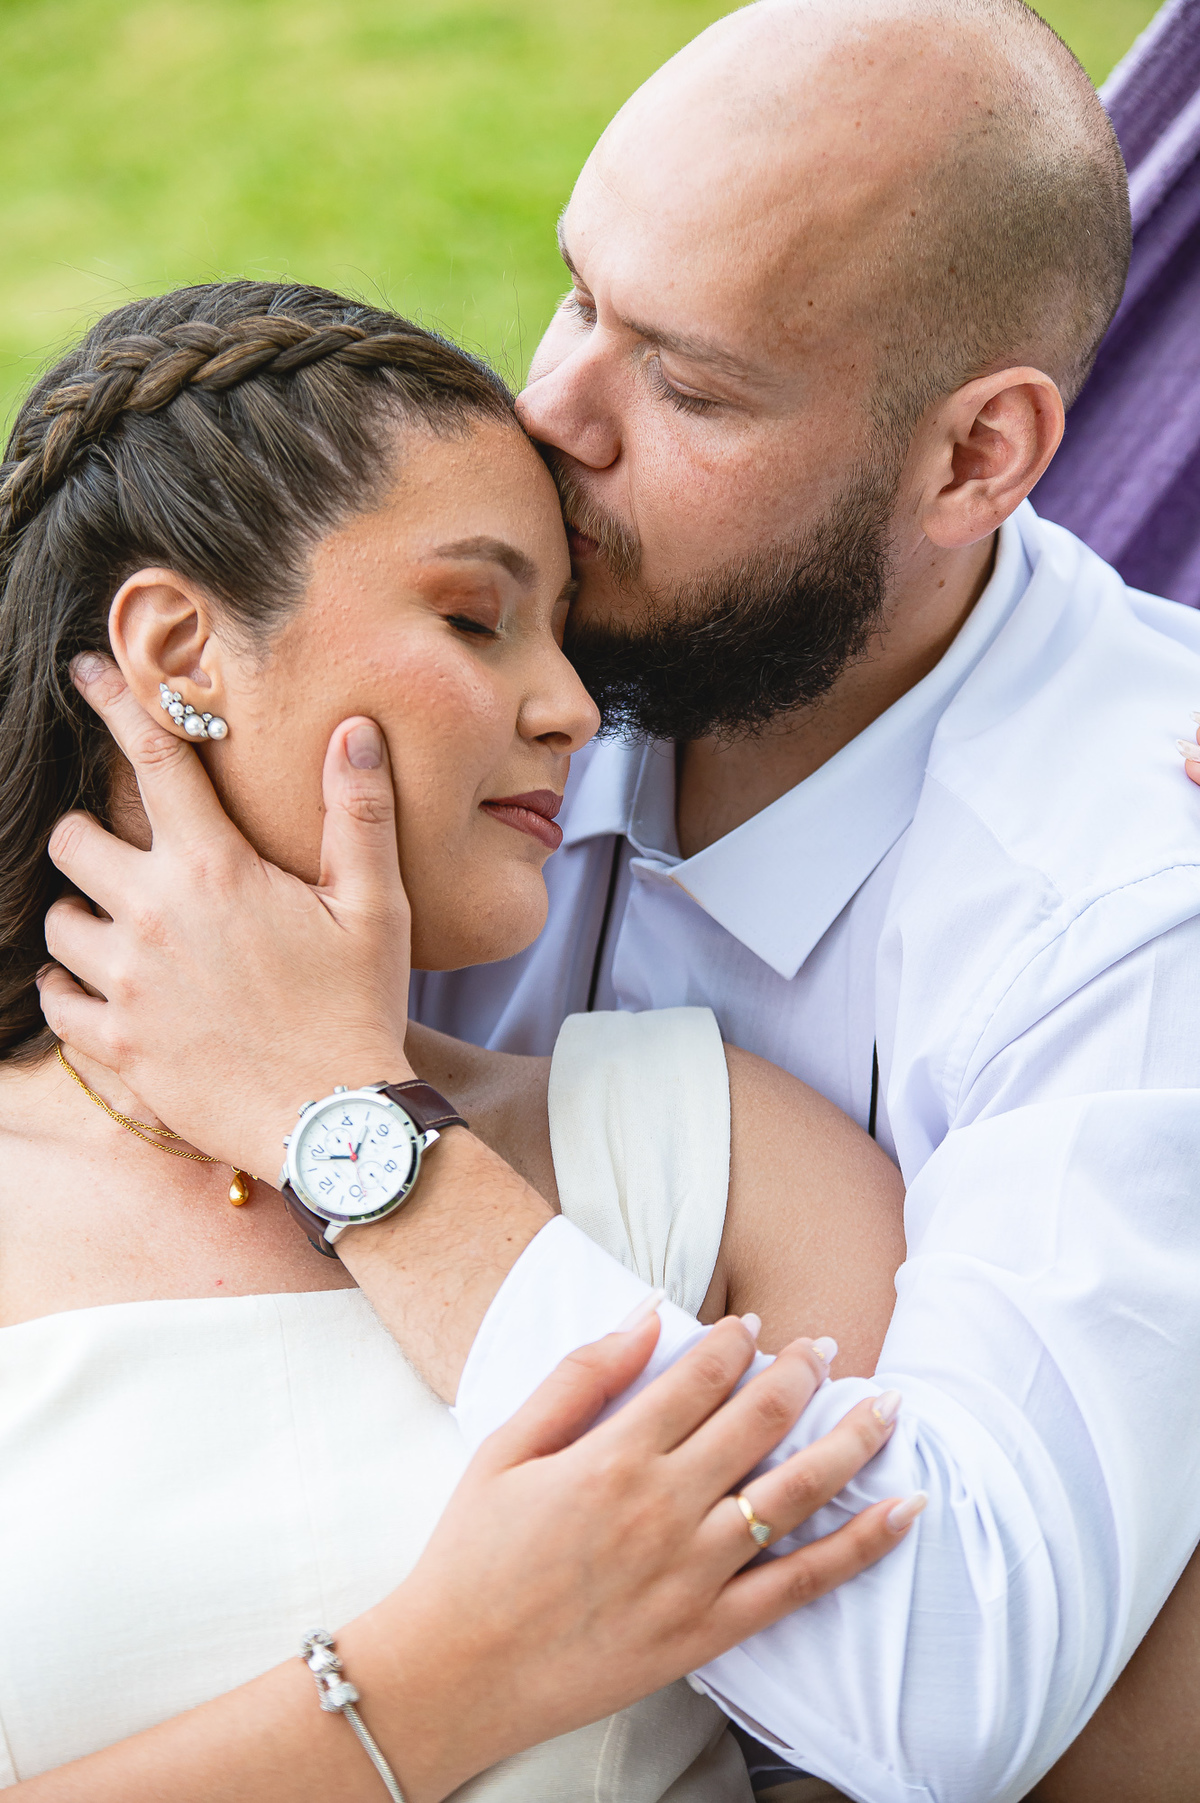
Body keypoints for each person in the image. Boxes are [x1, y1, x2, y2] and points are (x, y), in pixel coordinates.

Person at [37, 2, 1200, 1800]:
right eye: (579, 292)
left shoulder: (1136, 890)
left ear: (978, 457)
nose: (552, 413)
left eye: (694, 384)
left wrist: (346, 1122)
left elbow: (967, 1683)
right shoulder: (500, 668)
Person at [0, 277, 921, 1797]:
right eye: (475, 616)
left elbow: (939, 1706)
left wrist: (332, 1103)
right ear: (178, 650)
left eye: (567, 638)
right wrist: (450, 1676)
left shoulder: (728, 1159)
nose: (573, 708)